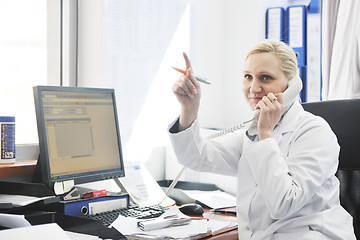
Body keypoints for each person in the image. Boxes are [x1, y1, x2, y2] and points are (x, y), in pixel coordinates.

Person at [168, 39, 356, 240]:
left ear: (291, 85)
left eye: (265, 78)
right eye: (248, 77)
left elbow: (284, 204)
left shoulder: (314, 132)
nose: (253, 87)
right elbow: (197, 157)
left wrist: (266, 133)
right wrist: (189, 108)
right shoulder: (251, 134)